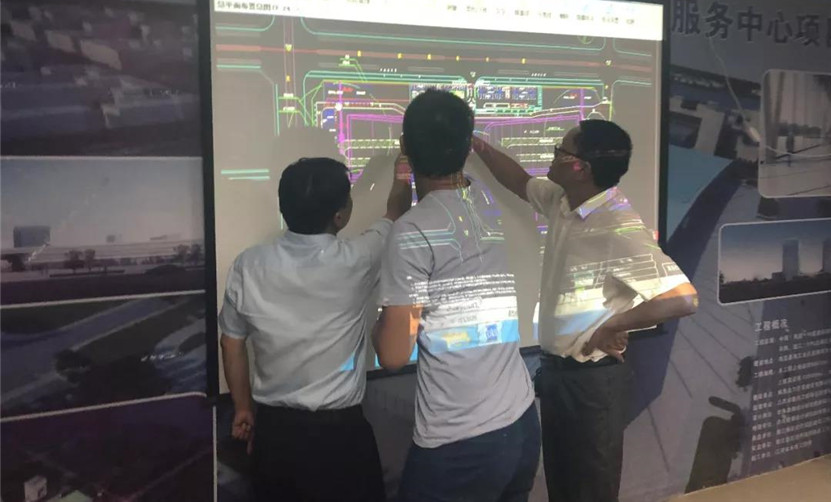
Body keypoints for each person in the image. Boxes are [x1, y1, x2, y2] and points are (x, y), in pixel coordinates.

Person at [472, 120, 698, 502]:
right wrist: (476, 145)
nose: (553, 156)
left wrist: (613, 325)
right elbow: (520, 182)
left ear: (581, 168)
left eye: (561, 151)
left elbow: (683, 298)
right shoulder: (565, 202)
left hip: (591, 383)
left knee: (590, 489)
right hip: (560, 375)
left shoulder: (616, 225)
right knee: (563, 485)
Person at [373, 89, 540, 502]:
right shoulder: (481, 197)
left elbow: (393, 354)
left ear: (405, 146)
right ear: (467, 149)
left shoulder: (411, 232)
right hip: (520, 421)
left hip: (459, 443)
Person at [219, 156, 412, 502]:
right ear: (340, 216)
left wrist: (243, 407)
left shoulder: (248, 265)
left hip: (275, 438)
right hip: (341, 440)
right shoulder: (359, 258)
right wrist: (403, 166)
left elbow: (231, 342)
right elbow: (396, 210)